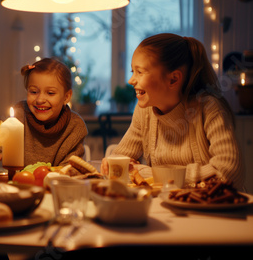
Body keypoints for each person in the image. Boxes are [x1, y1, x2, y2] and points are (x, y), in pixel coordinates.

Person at [101, 33, 244, 189]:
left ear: (173, 79)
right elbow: (120, 160)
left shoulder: (209, 108)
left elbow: (229, 172)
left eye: (140, 72)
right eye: (132, 72)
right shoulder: (145, 111)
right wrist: (113, 162)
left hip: (214, 210)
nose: (131, 80)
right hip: (168, 204)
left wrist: (149, 173)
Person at [0, 58, 88, 167]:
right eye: (33, 92)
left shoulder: (75, 127)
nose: (40, 100)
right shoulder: (19, 115)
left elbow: (69, 170)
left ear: (66, 97)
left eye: (50, 93)